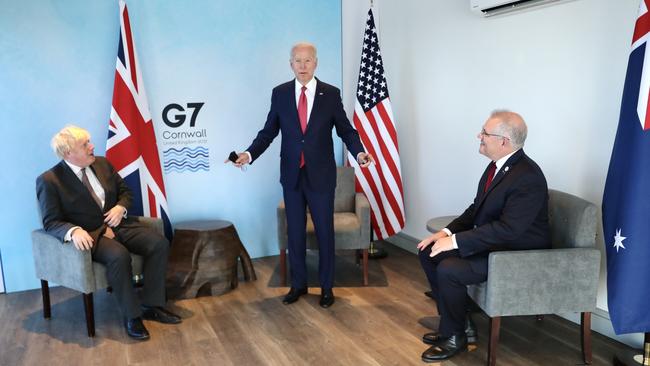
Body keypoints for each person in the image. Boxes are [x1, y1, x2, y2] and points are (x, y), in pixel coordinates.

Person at [226, 42, 373, 308]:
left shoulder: (330, 94)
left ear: (316, 63)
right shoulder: (280, 93)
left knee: (325, 233)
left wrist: (359, 153)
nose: (303, 66)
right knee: (294, 232)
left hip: (321, 176)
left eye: (308, 61)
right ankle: (298, 285)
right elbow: (268, 132)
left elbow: (345, 130)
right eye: (298, 61)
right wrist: (248, 154)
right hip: (292, 175)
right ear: (290, 63)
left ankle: (327, 288)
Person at [416, 110, 550, 362]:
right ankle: (457, 325)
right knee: (428, 252)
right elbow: (476, 208)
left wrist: (455, 241)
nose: (479, 136)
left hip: (516, 254)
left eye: (485, 133)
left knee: (449, 269)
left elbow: (509, 230)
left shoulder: (527, 176)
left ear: (504, 142)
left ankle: (456, 337)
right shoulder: (497, 167)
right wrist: (445, 233)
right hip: (495, 245)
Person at [36, 126, 181, 341]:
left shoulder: (102, 163)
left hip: (119, 225)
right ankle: (133, 317)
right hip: (92, 235)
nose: (92, 146)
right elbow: (50, 221)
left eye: (89, 142)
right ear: (69, 153)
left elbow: (125, 192)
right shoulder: (50, 180)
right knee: (118, 256)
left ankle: (152, 305)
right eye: (85, 145)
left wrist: (120, 207)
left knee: (159, 243)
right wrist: (73, 231)